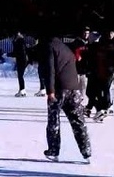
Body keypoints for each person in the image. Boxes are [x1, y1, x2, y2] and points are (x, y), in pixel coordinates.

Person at [37, 31, 92, 163]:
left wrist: (50, 90)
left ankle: (53, 151)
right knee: (78, 121)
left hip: (59, 88)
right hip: (74, 87)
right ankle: (86, 151)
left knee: (54, 120)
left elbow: (50, 68)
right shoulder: (64, 47)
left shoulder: (49, 46)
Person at [12, 32, 31, 97]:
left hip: (21, 60)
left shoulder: (19, 41)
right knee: (20, 75)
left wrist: (9, 54)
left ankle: (22, 90)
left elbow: (17, 51)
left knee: (20, 75)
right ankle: (22, 89)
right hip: (22, 60)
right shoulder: (21, 41)